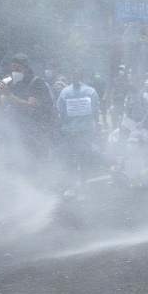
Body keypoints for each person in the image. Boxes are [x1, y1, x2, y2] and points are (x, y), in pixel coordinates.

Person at [0, 53, 53, 170]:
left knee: (36, 167)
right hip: (17, 134)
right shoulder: (12, 83)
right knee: (17, 169)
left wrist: (10, 95)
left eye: (17, 68)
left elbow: (30, 107)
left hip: (35, 134)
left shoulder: (36, 83)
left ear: (25, 68)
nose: (14, 71)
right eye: (12, 68)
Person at [56, 70, 100, 200]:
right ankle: (83, 184)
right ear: (83, 78)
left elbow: (61, 111)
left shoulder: (65, 92)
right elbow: (96, 109)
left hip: (70, 131)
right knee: (84, 157)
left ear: (71, 78)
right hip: (86, 130)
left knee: (71, 159)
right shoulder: (91, 91)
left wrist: (64, 123)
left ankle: (71, 187)